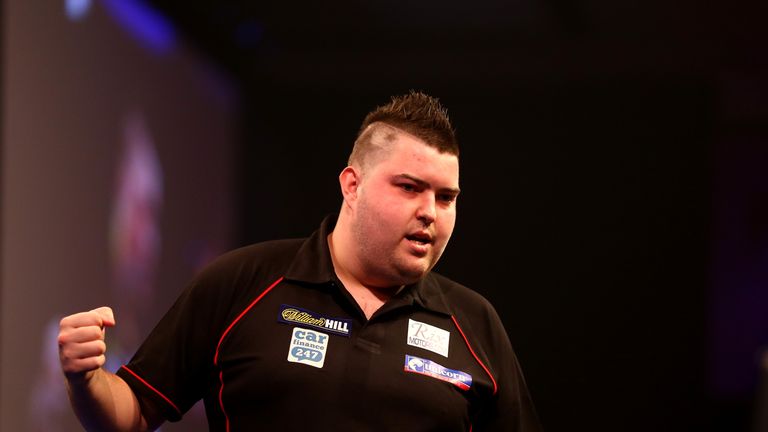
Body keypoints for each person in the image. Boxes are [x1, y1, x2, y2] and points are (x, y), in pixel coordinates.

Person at [58, 91, 542, 431]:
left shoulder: (475, 324)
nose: (429, 213)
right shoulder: (243, 282)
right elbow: (134, 412)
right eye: (410, 188)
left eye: (446, 197)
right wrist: (86, 383)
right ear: (352, 185)